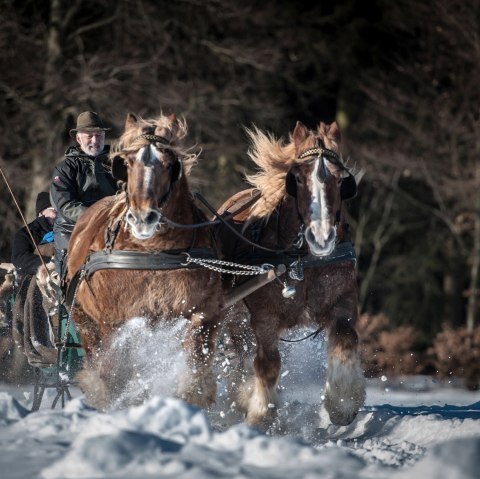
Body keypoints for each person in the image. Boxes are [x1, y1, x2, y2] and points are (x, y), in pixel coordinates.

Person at [50, 111, 119, 277]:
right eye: (89, 136)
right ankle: (64, 299)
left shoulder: (118, 163)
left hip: (115, 224)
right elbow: (66, 204)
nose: (95, 140)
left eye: (99, 135)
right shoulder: (65, 168)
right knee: (70, 271)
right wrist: (98, 216)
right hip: (72, 227)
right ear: (78, 138)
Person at [11, 191, 56, 281]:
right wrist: (52, 263)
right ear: (41, 213)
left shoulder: (69, 229)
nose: (59, 213)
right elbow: (19, 259)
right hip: (37, 279)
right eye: (54, 209)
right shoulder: (25, 233)